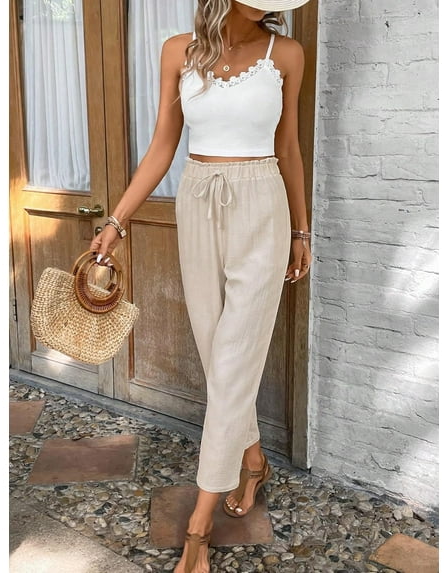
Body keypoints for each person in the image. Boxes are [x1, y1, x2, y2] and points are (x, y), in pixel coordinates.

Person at [90, 1, 312, 571]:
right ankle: (254, 462)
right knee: (218, 352)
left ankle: (198, 526)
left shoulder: (286, 54)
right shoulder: (177, 51)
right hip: (197, 199)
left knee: (235, 356)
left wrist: (301, 229)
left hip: (262, 202)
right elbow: (162, 145)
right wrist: (116, 221)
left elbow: (288, 146)